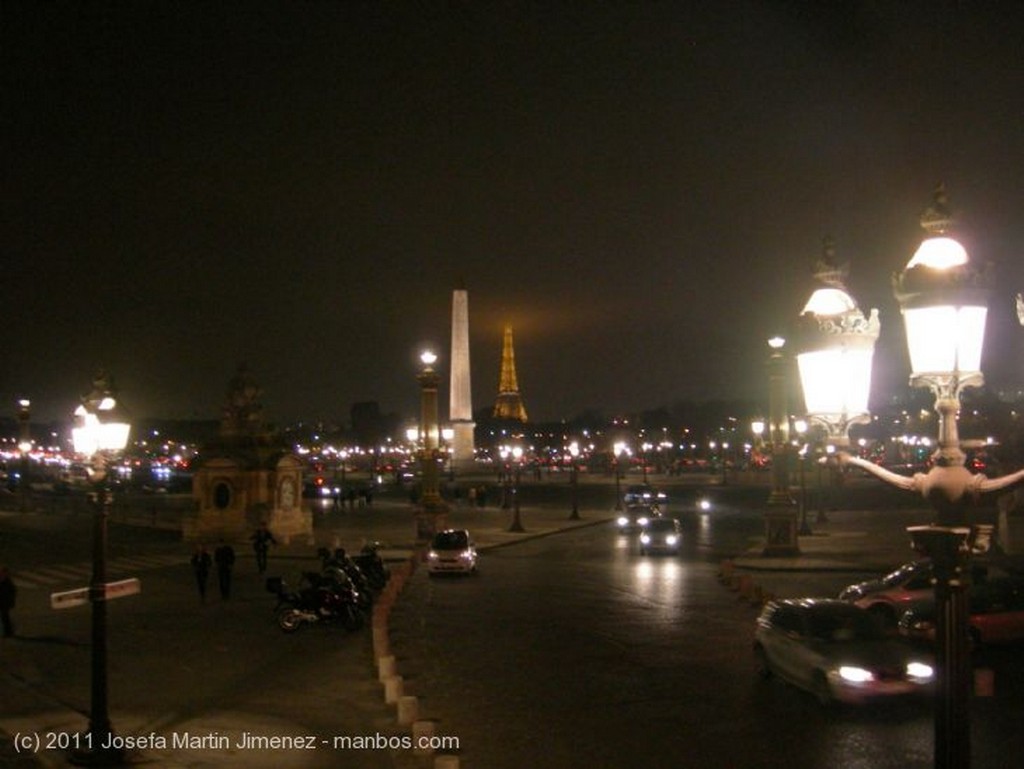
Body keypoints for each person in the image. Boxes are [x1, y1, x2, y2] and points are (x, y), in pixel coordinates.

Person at [0, 566, 16, 638]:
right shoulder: (6, 581)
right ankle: (8, 631)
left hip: (4, 602)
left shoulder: (6, 582)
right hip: (4, 602)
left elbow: (11, 593)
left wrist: (10, 601)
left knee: (5, 617)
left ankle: (8, 631)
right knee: (5, 617)